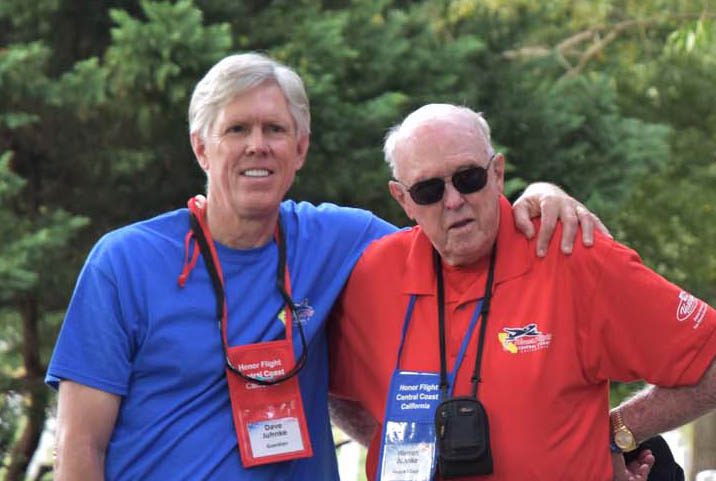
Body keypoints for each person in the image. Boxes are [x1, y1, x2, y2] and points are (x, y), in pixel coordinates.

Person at [46, 53, 607, 481]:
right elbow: (79, 445)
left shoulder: (340, 239)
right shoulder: (124, 263)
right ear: (201, 149)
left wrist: (539, 193)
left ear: (300, 149)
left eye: (275, 130)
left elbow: (455, 235)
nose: (258, 146)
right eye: (237, 130)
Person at [328, 103, 716, 481]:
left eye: (468, 178)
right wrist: (393, 445)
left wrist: (619, 432)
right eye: (428, 190)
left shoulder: (571, 254)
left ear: (497, 173)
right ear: (403, 200)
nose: (453, 200)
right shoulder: (371, 277)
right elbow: (324, 381)